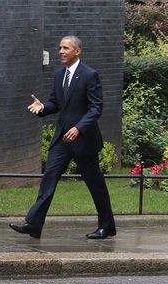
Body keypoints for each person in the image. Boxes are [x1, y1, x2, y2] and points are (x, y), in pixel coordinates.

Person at [9, 35, 116, 240]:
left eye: (65, 48)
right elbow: (55, 103)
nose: (60, 51)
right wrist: (42, 108)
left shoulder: (89, 75)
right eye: (59, 48)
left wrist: (79, 128)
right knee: (49, 178)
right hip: (62, 141)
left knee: (96, 185)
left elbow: (96, 108)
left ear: (77, 51)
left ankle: (107, 226)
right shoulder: (59, 75)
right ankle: (34, 224)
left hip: (83, 140)